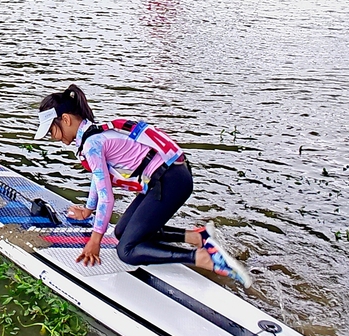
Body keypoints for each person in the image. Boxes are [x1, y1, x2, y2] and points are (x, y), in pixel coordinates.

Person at [34, 85, 251, 287]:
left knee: (126, 250)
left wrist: (95, 239)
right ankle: (198, 237)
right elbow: (100, 178)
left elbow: (107, 197)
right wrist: (89, 210)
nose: (53, 138)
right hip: (169, 176)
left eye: (52, 131)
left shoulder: (91, 144)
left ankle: (204, 258)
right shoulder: (93, 136)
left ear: (65, 119)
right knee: (121, 231)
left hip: (169, 181)